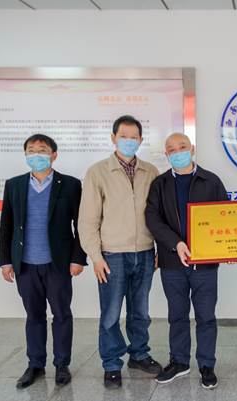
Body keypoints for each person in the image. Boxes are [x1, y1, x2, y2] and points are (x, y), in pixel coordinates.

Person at [78, 115, 162, 389]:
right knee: (111, 314)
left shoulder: (150, 171)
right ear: (113, 138)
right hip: (112, 255)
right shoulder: (98, 172)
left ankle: (139, 354)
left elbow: (158, 215)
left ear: (140, 140)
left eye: (133, 137)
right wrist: (96, 257)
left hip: (145, 252)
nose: (128, 141)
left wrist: (160, 249)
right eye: (123, 136)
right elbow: (88, 220)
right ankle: (112, 363)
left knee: (141, 311)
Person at [0, 134, 86, 388]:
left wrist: (78, 258)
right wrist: (5, 261)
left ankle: (62, 364)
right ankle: (35, 364)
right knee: (33, 316)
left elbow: (81, 225)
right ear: (25, 155)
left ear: (54, 155)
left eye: (42, 150)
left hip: (58, 264)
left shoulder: (70, 185)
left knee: (61, 314)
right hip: (25, 265)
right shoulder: (14, 185)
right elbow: (6, 225)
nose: (36, 155)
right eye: (31, 150)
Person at [145, 132, 228, 390]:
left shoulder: (211, 181)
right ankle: (179, 362)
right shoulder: (160, 184)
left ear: (192, 149)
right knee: (177, 315)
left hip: (205, 265)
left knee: (206, 317)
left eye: (182, 146)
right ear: (166, 155)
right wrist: (176, 243)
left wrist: (228, 249)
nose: (177, 152)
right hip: (172, 263)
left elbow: (226, 216)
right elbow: (152, 219)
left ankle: (207, 365)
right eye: (172, 149)